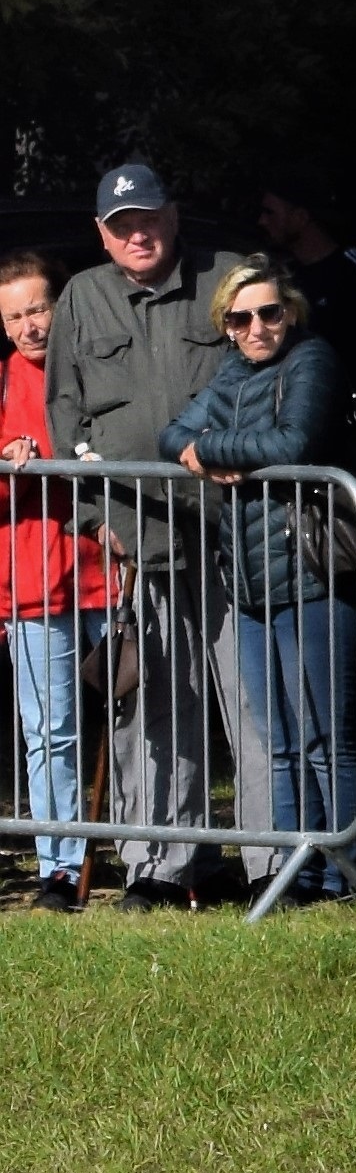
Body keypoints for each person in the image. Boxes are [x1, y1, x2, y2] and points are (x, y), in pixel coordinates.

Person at [44, 161, 246, 906]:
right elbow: (66, 420)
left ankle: (265, 868)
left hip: (233, 537)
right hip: (137, 541)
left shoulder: (227, 278)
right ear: (102, 233)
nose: (139, 233)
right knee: (150, 710)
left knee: (247, 705)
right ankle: (157, 867)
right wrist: (98, 520)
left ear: (174, 216)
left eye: (150, 217)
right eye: (122, 224)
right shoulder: (82, 299)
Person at [161, 258, 356, 905]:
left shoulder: (312, 360)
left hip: (311, 569)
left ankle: (340, 875)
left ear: (290, 312)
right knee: (279, 743)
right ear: (225, 325)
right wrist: (206, 447)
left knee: (328, 735)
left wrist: (214, 449)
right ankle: (295, 876)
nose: (257, 328)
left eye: (270, 313)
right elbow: (173, 435)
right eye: (240, 318)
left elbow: (294, 441)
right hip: (246, 581)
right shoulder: (232, 373)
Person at [2, 247, 119, 907]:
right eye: (15, 317)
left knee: (139, 722)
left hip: (109, 575)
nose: (30, 327)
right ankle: (59, 866)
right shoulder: (1, 384)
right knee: (51, 733)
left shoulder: (94, 370)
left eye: (39, 308)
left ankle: (153, 854)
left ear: (61, 304)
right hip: (33, 588)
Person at [255, 168, 356, 421]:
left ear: (301, 216)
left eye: (271, 212)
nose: (262, 221)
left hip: (355, 430)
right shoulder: (285, 278)